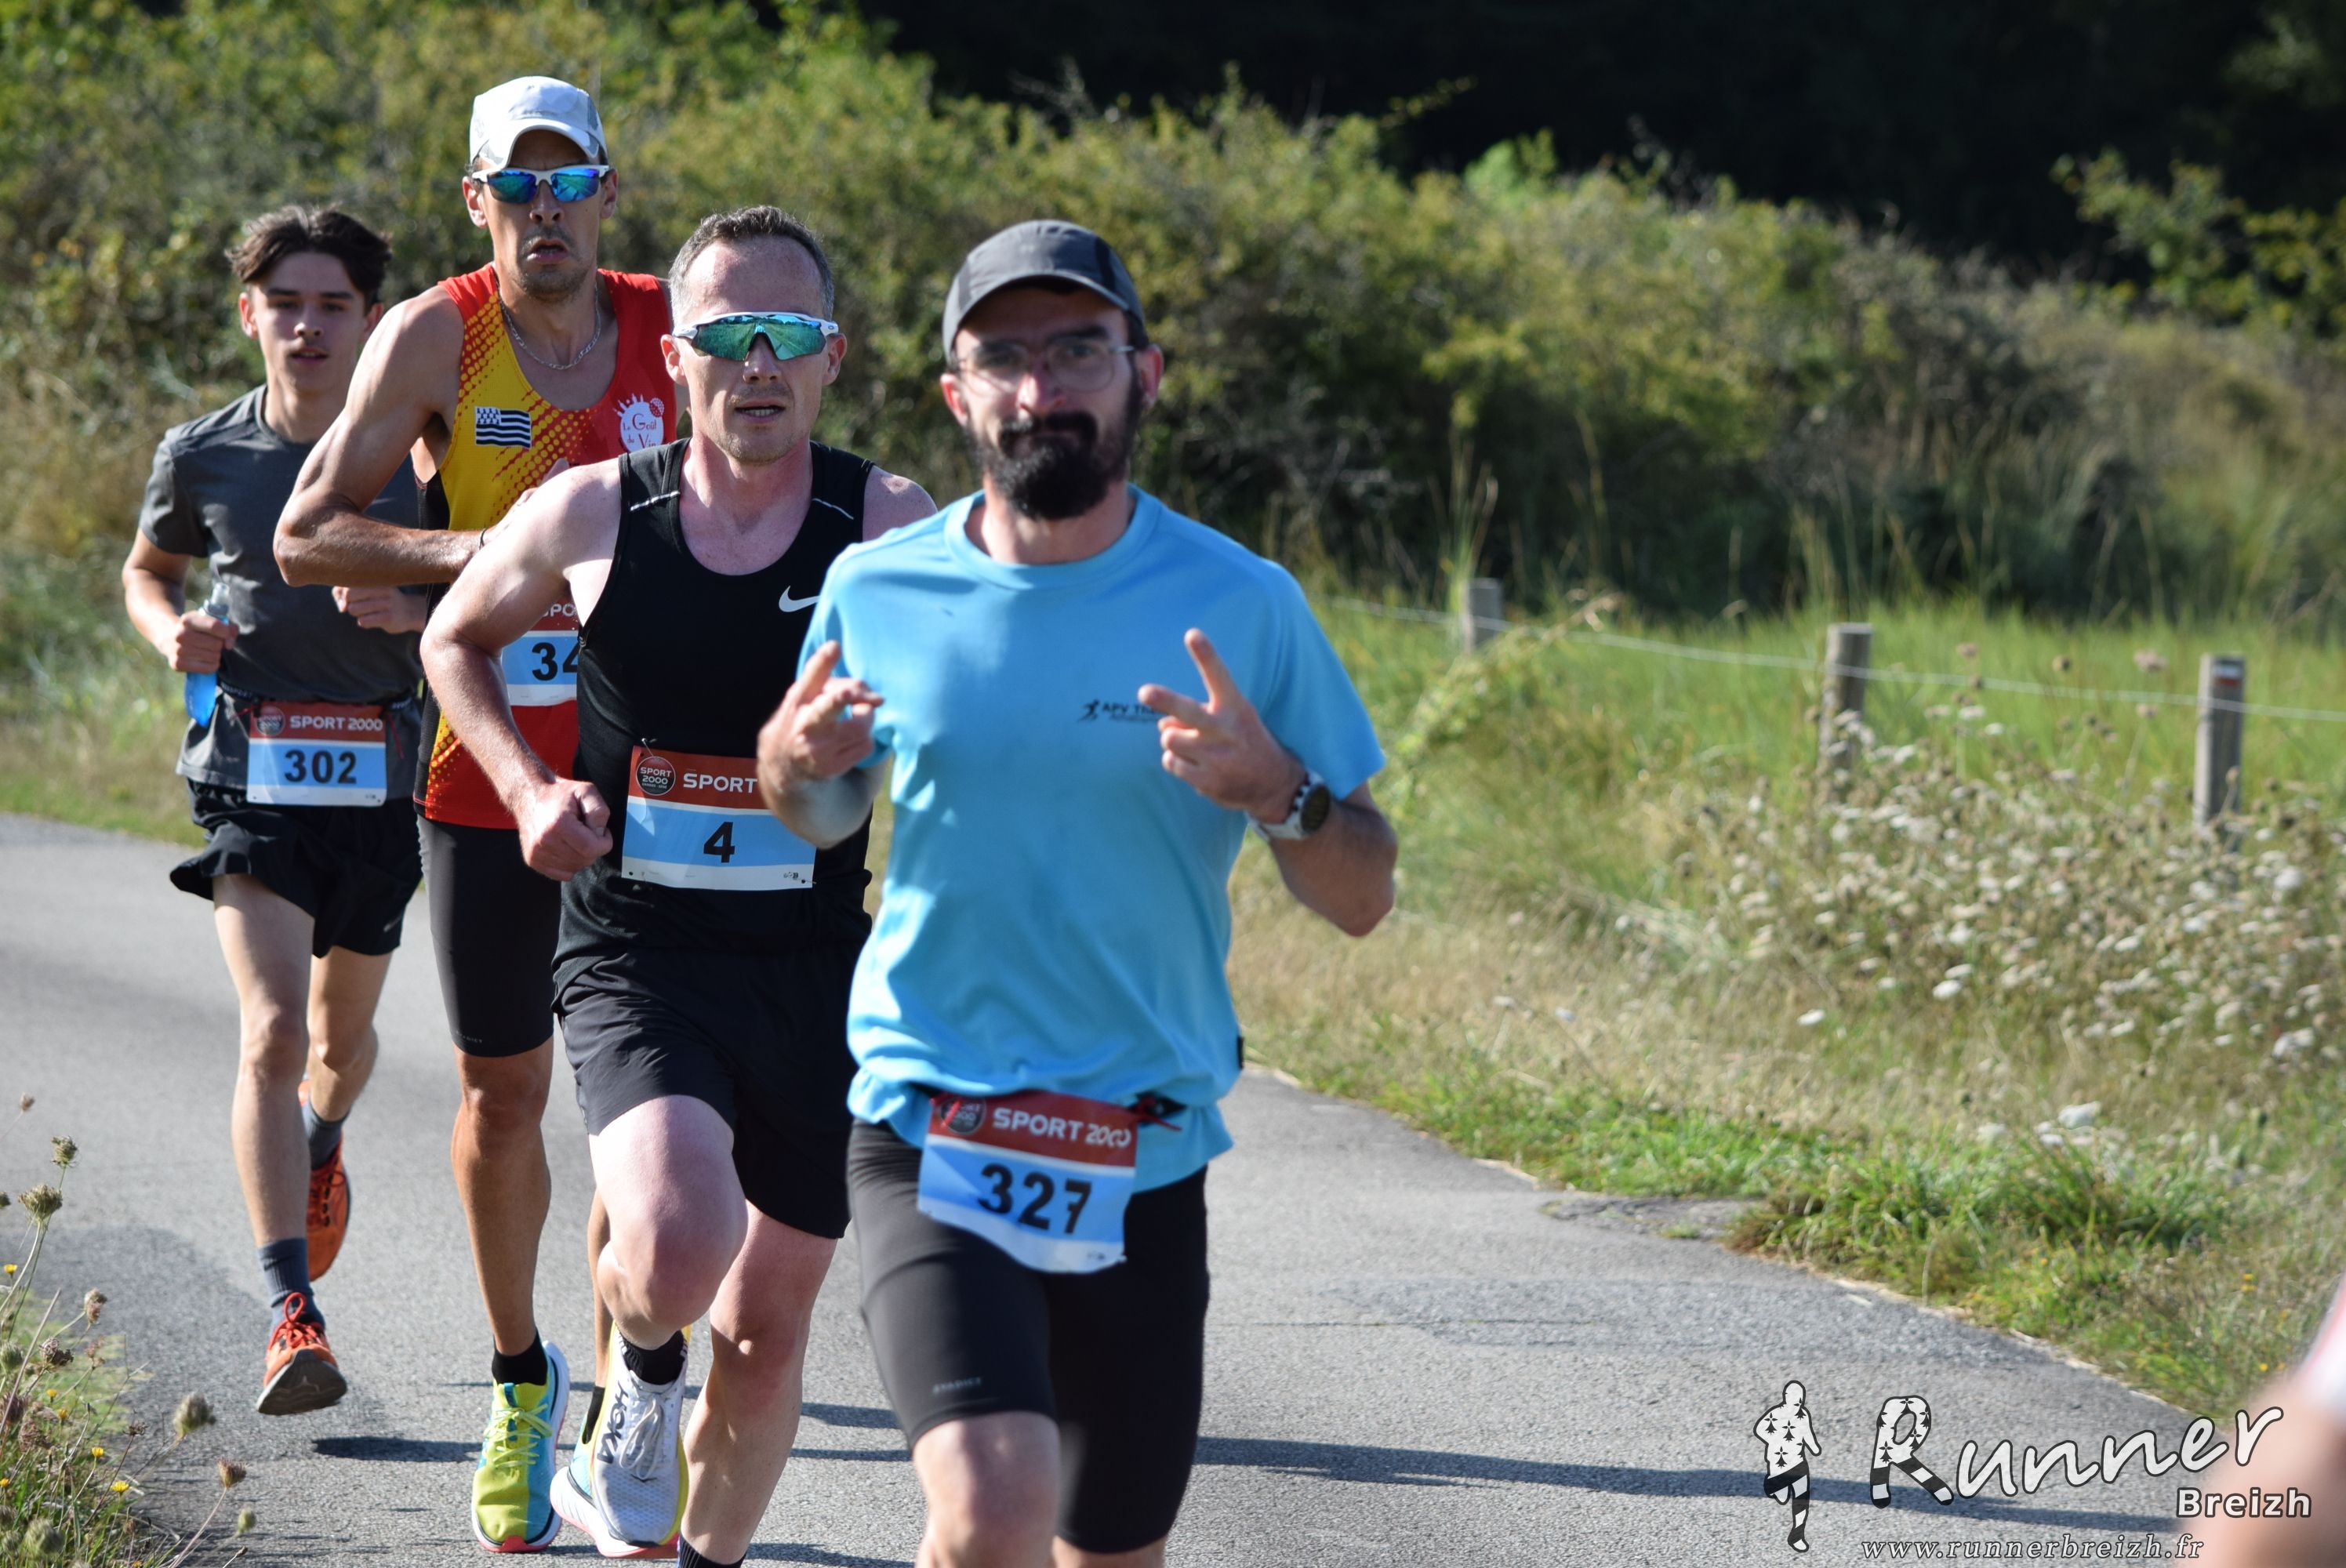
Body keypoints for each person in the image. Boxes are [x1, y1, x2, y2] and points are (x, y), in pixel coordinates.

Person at [761, 220, 1399, 1567]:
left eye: (1077, 352)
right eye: (1003, 358)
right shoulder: (878, 589)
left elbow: (1363, 896)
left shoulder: (1242, 604)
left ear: (1143, 374)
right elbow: (820, 809)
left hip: (1142, 1148)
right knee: (991, 1507)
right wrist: (788, 766)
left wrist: (1282, 790)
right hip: (933, 1120)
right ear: (957, 394)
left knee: (1109, 1551)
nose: (1039, 388)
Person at [422, 205, 933, 1566]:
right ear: (677, 356)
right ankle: (640, 1377)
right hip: (638, 949)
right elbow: (452, 639)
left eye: (789, 335)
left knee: (763, 1336)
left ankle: (698, 1547)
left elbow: (971, 708)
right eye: (726, 333)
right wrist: (528, 792)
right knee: (672, 1240)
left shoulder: (886, 526)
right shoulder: (598, 509)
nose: (758, 363)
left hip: (815, 970)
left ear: (830, 359)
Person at [275, 75, 675, 1552]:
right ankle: (522, 1380)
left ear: (608, 194)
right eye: (517, 186)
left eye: (568, 184)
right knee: (505, 1098)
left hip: (658, 776)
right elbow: (307, 534)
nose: (543, 210)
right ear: (477, 200)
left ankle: (631, 1390)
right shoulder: (438, 333)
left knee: (643, 1109)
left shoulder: (675, 327)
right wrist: (484, 557)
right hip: (488, 773)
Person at [122, 205, 419, 1417]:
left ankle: (323, 1139)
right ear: (250, 315)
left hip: (384, 781)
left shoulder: (424, 456)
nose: (307, 326)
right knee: (273, 1033)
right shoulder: (205, 454)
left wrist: (415, 610)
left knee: (339, 1052)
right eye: (284, 303)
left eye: (332, 305)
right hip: (251, 774)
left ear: (371, 321)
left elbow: (508, 576)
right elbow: (149, 571)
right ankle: (291, 1313)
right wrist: (169, 632)